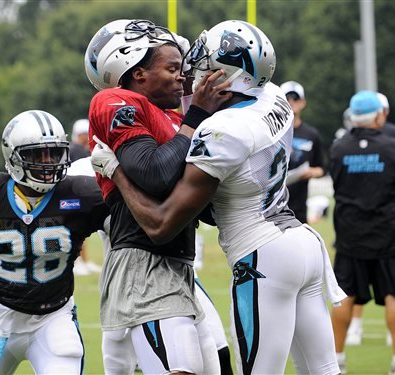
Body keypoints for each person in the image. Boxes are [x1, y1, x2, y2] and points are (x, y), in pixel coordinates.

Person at [91, 20, 345, 375]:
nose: (191, 76)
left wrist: (116, 169)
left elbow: (162, 223)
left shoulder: (219, 130)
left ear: (222, 77)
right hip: (301, 240)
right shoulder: (273, 98)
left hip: (263, 254)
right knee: (323, 368)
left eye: (202, 68)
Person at [84, 19, 233, 374]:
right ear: (137, 74)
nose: (182, 77)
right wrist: (197, 116)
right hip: (143, 259)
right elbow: (154, 173)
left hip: (177, 263)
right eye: (172, 68)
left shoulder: (169, 116)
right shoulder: (115, 99)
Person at [0, 110, 110, 374]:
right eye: (36, 154)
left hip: (52, 320)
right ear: (14, 156)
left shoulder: (82, 195)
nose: (48, 162)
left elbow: (124, 232)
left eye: (53, 153)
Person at [328, 91, 395, 375]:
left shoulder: (339, 147)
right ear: (379, 115)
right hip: (390, 231)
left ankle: (336, 363)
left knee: (346, 294)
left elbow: (337, 186)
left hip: (350, 232)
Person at [280, 80, 325, 224]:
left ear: (303, 102)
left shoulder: (312, 134)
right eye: (287, 98)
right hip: (273, 205)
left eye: (296, 98)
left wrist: (311, 172)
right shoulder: (272, 132)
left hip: (299, 207)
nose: (292, 102)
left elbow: (322, 168)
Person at [68, 118, 103, 276]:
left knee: (83, 231)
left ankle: (84, 261)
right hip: (75, 194)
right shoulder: (77, 151)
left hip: (76, 193)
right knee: (77, 229)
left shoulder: (74, 148)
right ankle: (76, 262)